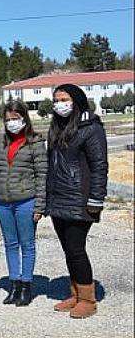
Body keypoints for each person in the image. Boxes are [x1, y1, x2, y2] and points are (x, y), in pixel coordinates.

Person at [46, 84, 108, 319]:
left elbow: (99, 166)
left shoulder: (91, 128)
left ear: (77, 101)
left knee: (76, 249)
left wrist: (96, 199)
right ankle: (75, 293)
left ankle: (88, 300)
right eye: (56, 100)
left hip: (79, 199)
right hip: (58, 198)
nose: (59, 104)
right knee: (68, 250)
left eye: (64, 99)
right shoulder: (57, 127)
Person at [0, 100, 47, 307]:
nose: (12, 123)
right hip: (3, 202)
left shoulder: (35, 142)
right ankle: (14, 284)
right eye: (8, 120)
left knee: (27, 244)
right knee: (10, 244)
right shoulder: (2, 142)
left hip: (26, 201)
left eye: (15, 118)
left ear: (24, 119)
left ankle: (26, 285)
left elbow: (42, 175)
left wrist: (39, 206)